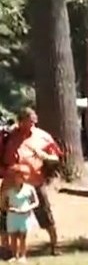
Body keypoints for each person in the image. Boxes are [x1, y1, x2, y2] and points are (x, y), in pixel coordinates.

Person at [0, 107, 61, 256]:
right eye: (27, 122)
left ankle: (55, 245)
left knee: (45, 214)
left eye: (33, 122)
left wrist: (45, 156)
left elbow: (56, 157)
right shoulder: (8, 135)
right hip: (10, 181)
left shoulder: (43, 137)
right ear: (19, 122)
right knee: (4, 215)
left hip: (34, 180)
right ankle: (7, 249)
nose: (31, 126)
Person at [2, 166, 37, 262]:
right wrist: (10, 209)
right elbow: (3, 204)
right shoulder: (8, 190)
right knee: (13, 237)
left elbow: (36, 202)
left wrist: (28, 208)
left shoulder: (30, 188)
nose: (20, 178)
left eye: (22, 176)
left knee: (23, 237)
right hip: (12, 216)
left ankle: (23, 256)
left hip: (24, 216)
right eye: (18, 176)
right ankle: (14, 255)